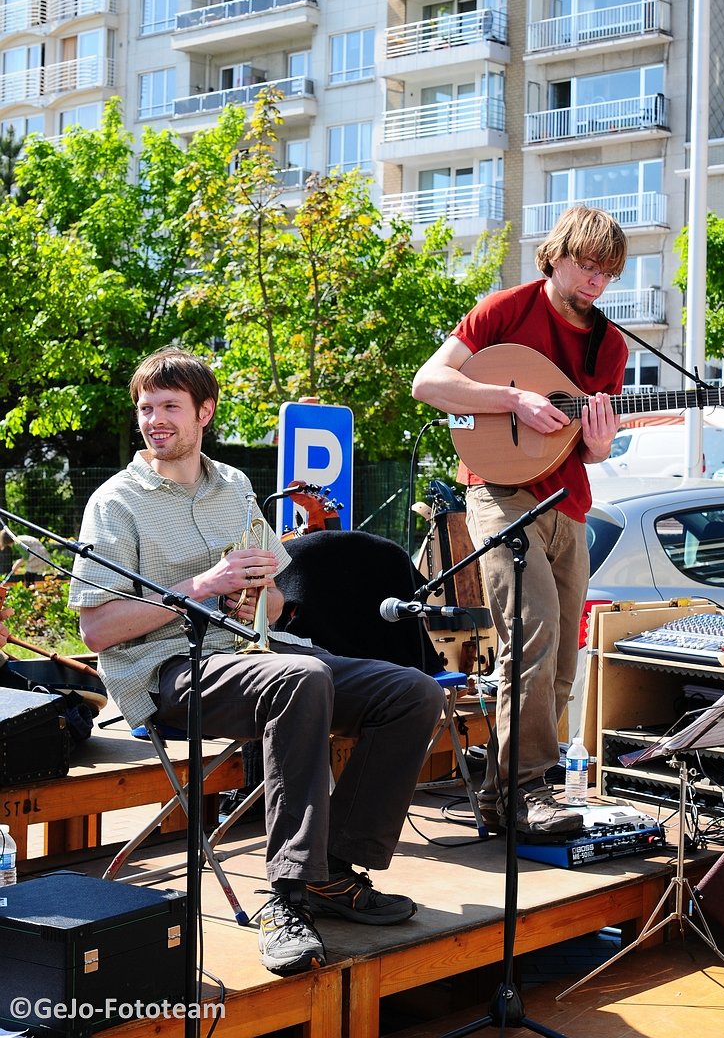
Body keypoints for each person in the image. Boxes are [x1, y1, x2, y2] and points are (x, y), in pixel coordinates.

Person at [68, 347, 445, 976]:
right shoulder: (116, 503)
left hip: (253, 653)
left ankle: (332, 871)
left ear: (204, 413)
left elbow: (271, 599)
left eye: (169, 407)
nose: (154, 420)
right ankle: (287, 894)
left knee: (413, 692)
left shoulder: (236, 488)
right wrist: (204, 586)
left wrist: (257, 594)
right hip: (167, 670)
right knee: (302, 678)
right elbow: (98, 629)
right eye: (145, 408)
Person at [412, 206, 628, 839]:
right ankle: (528, 791)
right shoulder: (506, 309)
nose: (596, 280)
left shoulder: (609, 344)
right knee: (529, 634)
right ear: (556, 254)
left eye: (608, 271)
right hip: (501, 492)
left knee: (562, 656)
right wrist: (514, 398)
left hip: (570, 503)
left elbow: (590, 448)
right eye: (587, 264)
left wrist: (599, 440)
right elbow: (431, 382)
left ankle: (512, 792)